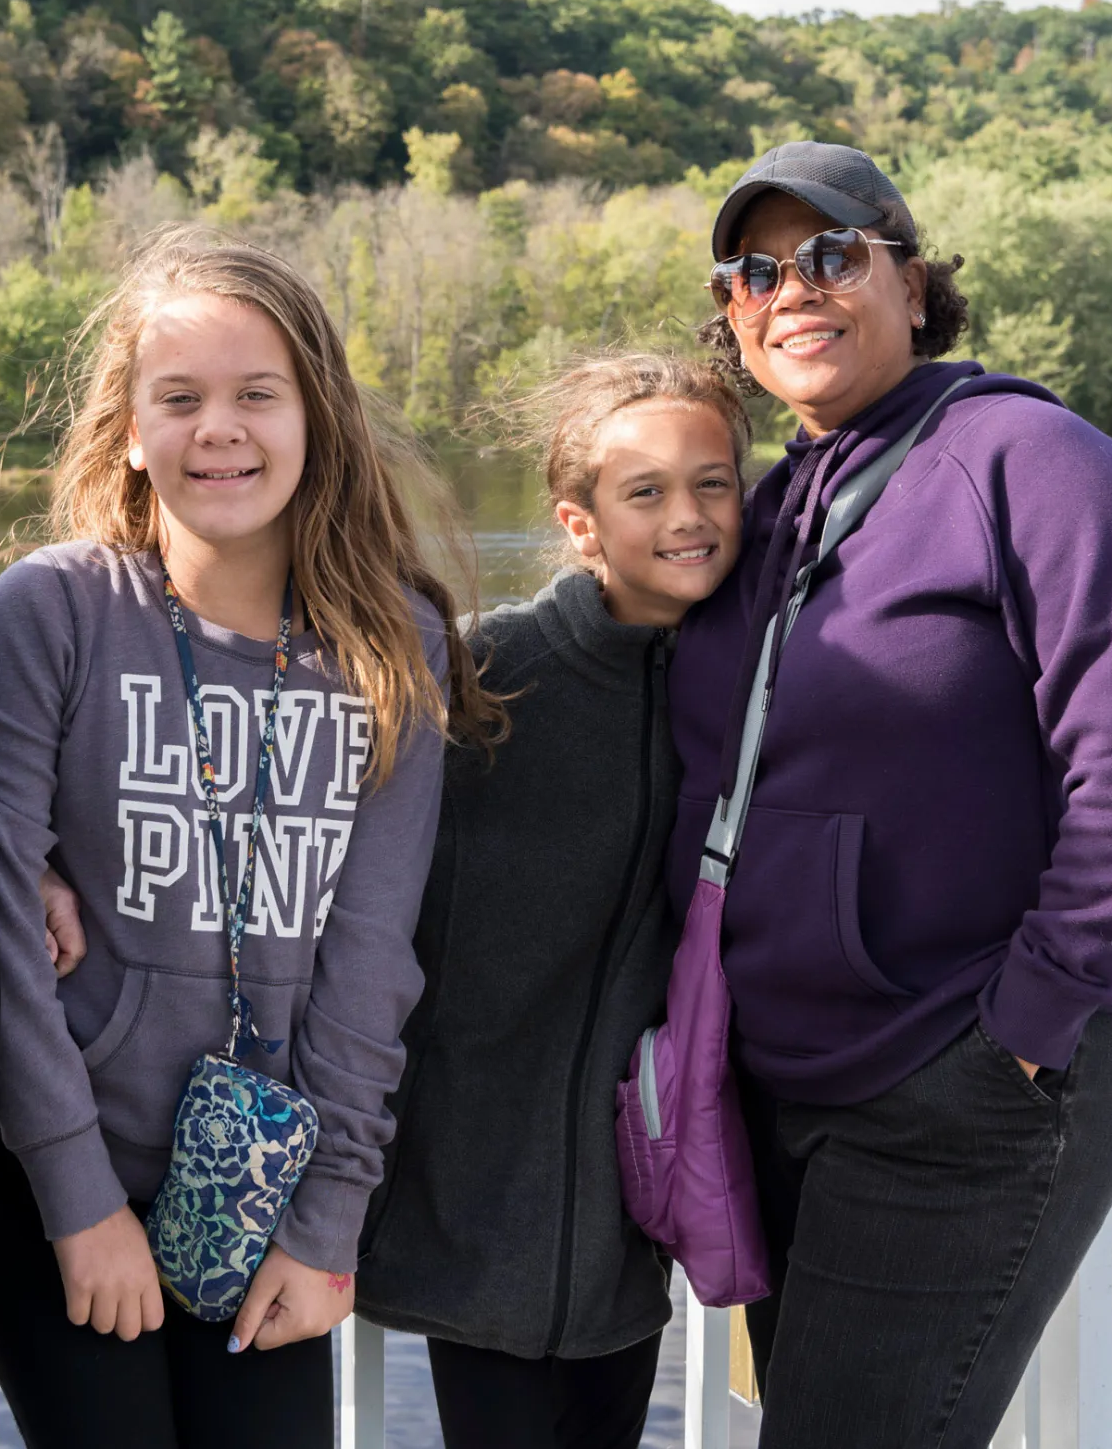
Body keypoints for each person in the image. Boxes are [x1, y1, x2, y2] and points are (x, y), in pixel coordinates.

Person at [672, 141, 1112, 1447]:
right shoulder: (769, 508)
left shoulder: (1034, 460)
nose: (790, 288)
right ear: (735, 320)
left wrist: (1022, 1032)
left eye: (830, 256)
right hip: (791, 1077)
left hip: (960, 1072)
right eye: (755, 272)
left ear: (915, 286)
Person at [0, 228, 494, 1449]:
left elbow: (370, 957)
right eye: (180, 398)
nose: (221, 430)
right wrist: (78, 1200)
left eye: (259, 395)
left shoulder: (387, 646)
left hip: (261, 1187)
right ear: (128, 430)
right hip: (56, 1182)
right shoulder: (54, 612)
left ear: (316, 418)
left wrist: (327, 1221)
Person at [358, 354, 751, 1449]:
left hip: (629, 1201)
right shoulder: (487, 677)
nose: (689, 515)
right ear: (578, 525)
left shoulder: (753, 680)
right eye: (646, 491)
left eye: (712, 482)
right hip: (474, 1197)